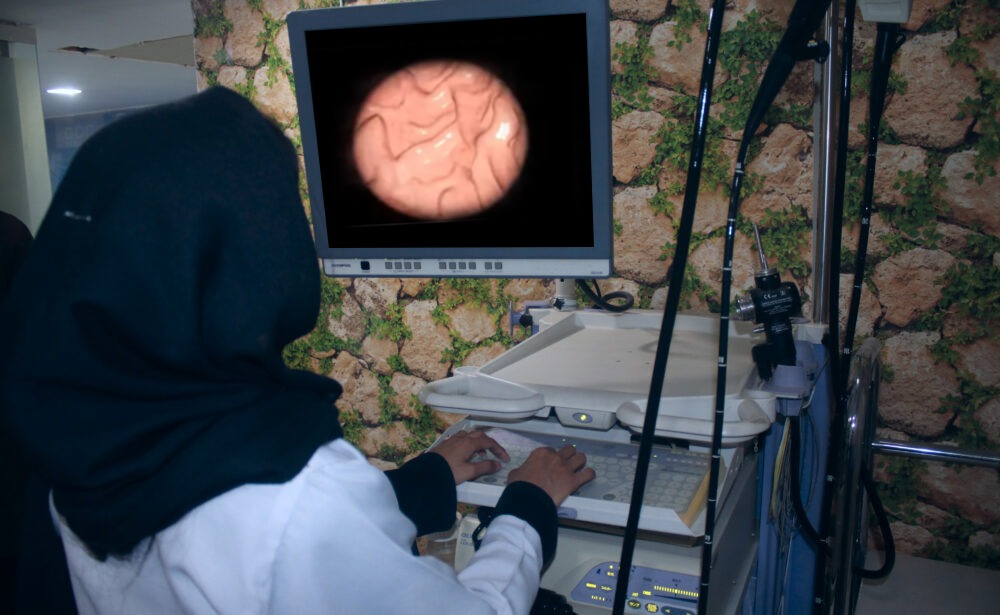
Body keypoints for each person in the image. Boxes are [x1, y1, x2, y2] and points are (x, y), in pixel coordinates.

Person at [0, 86, 595, 615]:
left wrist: (428, 477)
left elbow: (257, 554)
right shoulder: (292, 494)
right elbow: (294, 540)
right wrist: (527, 508)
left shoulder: (71, 431)